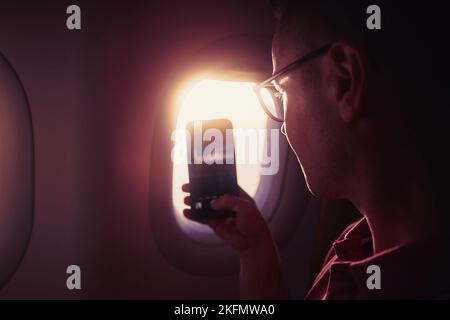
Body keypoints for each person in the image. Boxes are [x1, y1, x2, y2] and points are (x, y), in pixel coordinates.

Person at [182, 0, 450, 299]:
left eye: (281, 92)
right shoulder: (356, 242)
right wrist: (257, 253)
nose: (282, 126)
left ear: (344, 80)